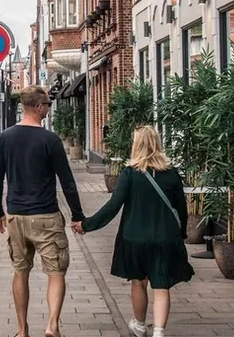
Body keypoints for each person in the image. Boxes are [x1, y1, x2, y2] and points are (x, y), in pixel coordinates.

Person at [79, 126, 194, 337]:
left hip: (134, 238)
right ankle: (159, 332)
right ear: (157, 143)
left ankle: (140, 326)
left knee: (138, 283)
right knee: (161, 286)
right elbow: (181, 207)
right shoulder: (171, 174)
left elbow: (113, 206)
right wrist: (182, 233)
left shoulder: (130, 174)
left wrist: (87, 225)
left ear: (136, 145)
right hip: (165, 237)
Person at [0, 85, 84, 337]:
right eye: (48, 106)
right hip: (46, 216)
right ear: (40, 107)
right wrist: (77, 216)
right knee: (55, 272)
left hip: (16, 216)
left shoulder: (6, 137)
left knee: (20, 271)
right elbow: (67, 182)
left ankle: (22, 331)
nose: (48, 110)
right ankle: (52, 325)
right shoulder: (49, 140)